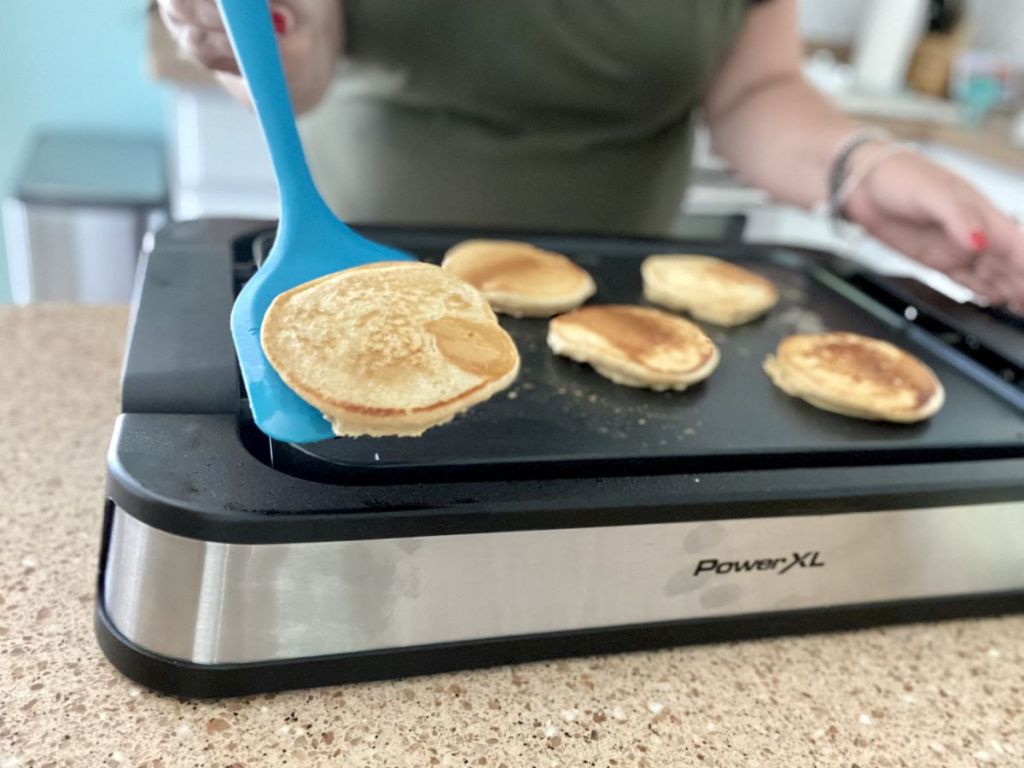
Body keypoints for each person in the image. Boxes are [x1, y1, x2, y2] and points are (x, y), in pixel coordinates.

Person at [158, 0, 1024, 306]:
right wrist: (263, 41)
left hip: (621, 296)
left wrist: (863, 173)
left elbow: (756, 92)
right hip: (364, 270)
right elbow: (301, 62)